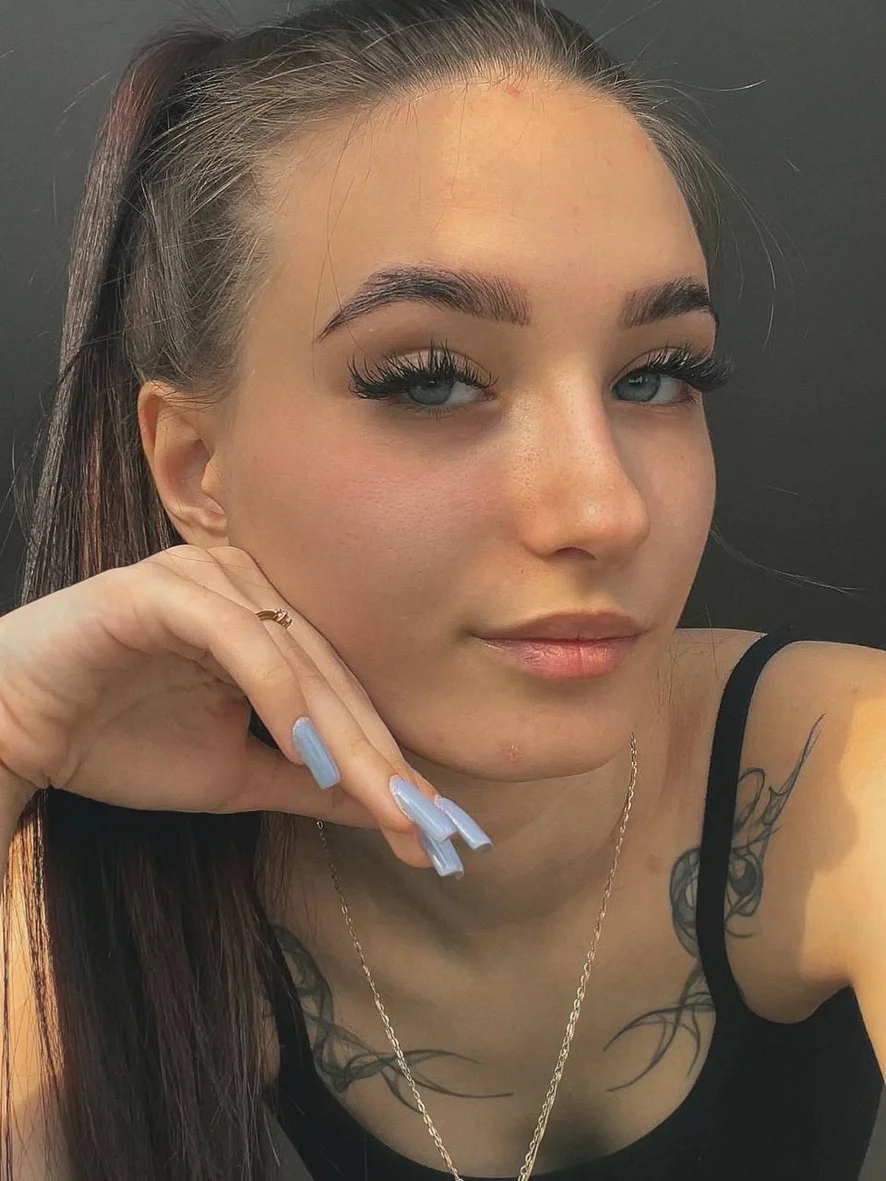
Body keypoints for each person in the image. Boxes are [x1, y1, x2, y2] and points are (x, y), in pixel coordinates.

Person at [1, 0, 885, 1177]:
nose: (603, 509)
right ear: (196, 466)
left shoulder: (845, 776)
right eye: (430, 380)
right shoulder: (99, 900)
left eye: (655, 376)